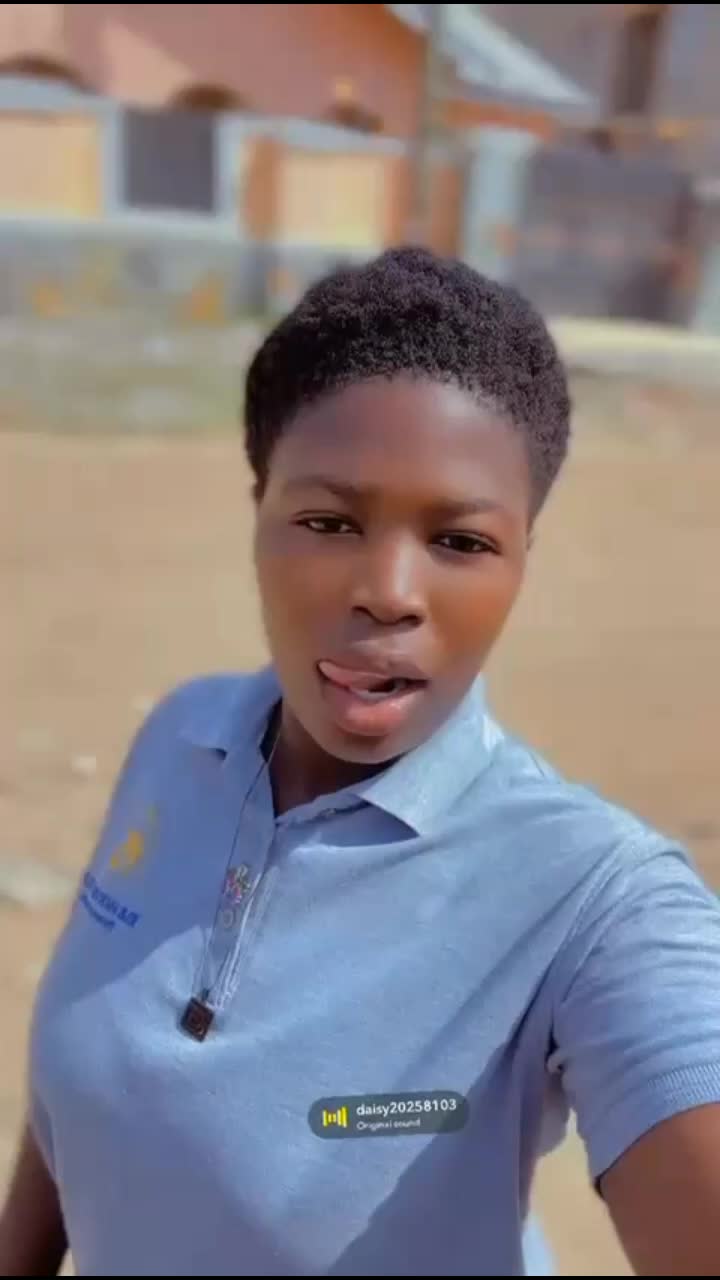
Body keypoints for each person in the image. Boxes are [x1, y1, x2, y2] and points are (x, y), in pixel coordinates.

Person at [2, 247, 720, 1278]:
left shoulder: (598, 901)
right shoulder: (183, 738)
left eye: (460, 541)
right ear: (258, 511)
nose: (388, 590)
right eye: (328, 522)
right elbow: (85, 1085)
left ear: (525, 554)